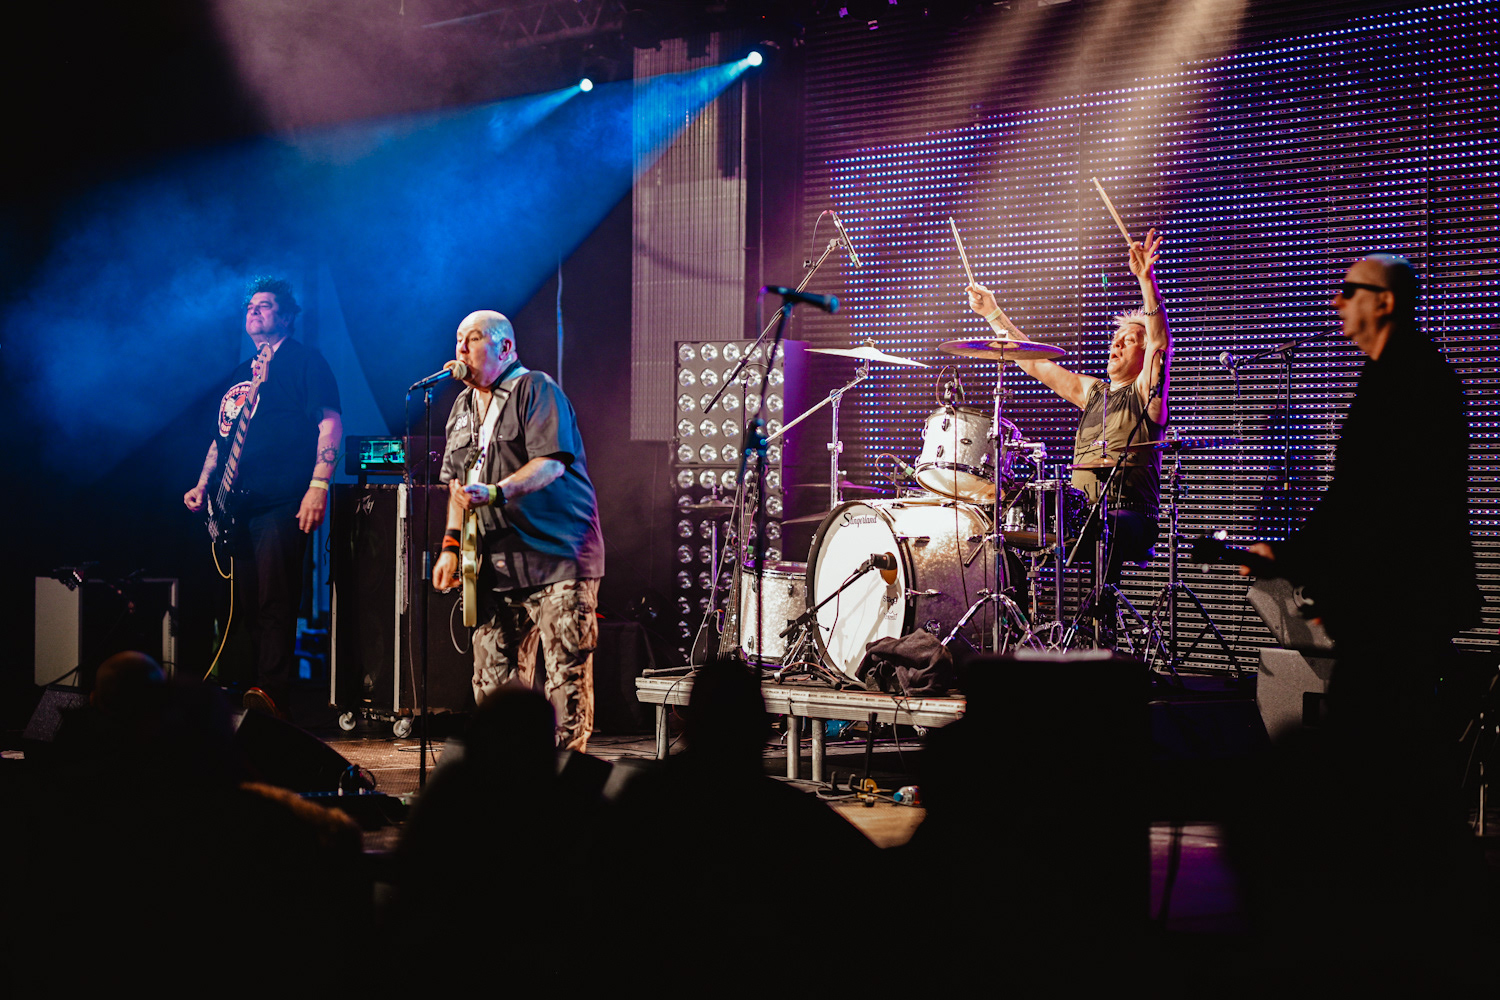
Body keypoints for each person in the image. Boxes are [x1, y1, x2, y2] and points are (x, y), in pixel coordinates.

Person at [1238, 254, 1480, 728]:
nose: (1337, 301)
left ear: (1384, 302)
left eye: (1350, 291)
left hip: (1400, 600)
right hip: (1394, 595)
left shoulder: (1412, 380)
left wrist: (1289, 556)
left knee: (1377, 744)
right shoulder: (1390, 374)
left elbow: (1369, 497)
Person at [432, 310, 605, 751]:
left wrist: (495, 492)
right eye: (458, 341)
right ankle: (512, 783)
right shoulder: (462, 409)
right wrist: (451, 547)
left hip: (557, 559)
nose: (461, 350)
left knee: (565, 676)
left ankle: (567, 786)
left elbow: (549, 463)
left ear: (505, 347)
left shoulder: (536, 389)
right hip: (496, 565)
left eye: (472, 340)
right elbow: (456, 487)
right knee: (492, 685)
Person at [965, 231, 1170, 601]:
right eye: (1116, 338)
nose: (1117, 343)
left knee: (1101, 528)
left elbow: (1160, 343)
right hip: (1084, 513)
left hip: (1132, 517)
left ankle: (1099, 620)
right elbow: (1035, 362)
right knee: (1004, 530)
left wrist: (1146, 280)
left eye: (1130, 338)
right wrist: (992, 313)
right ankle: (1018, 617)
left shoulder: (1145, 393)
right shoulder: (1093, 392)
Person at [184, 276, 341, 717]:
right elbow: (222, 438)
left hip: (279, 501)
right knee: (244, 604)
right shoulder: (242, 372)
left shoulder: (307, 362)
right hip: (235, 506)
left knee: (276, 599)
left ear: (287, 316)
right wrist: (202, 483)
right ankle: (246, 687)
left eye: (266, 305)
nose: (254, 311)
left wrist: (318, 486)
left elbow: (329, 424)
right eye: (250, 306)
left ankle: (272, 695)